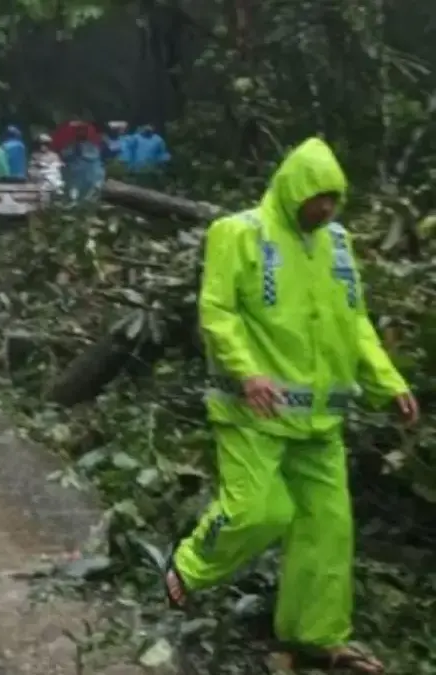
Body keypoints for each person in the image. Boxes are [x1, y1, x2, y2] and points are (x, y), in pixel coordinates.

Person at [165, 137, 417, 674]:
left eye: (334, 199)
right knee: (259, 510)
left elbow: (357, 325)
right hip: (252, 412)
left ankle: (317, 634)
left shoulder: (338, 244)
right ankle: (186, 569)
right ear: (294, 188)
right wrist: (246, 369)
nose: (325, 208)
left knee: (328, 529)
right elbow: (217, 310)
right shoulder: (240, 233)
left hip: (321, 421)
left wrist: (388, 383)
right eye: (317, 197)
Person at [61, 122, 104, 202]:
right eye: (79, 131)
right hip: (74, 172)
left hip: (89, 173)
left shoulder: (91, 145)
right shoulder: (71, 144)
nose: (81, 133)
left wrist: (83, 153)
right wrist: (74, 152)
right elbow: (64, 155)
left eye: (83, 131)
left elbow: (95, 155)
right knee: (74, 190)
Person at [28, 134, 64, 202]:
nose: (43, 146)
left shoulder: (54, 155)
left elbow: (58, 169)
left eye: (45, 144)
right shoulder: (35, 155)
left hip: (52, 180)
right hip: (39, 180)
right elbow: (31, 170)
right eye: (41, 144)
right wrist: (37, 166)